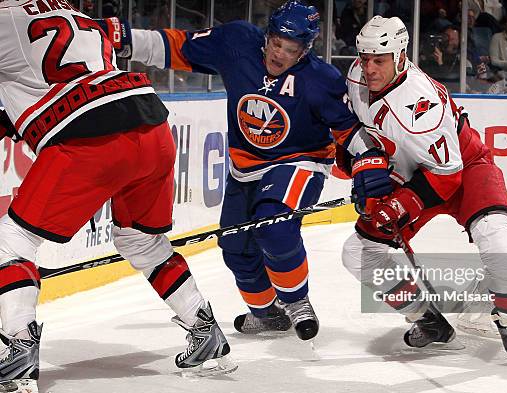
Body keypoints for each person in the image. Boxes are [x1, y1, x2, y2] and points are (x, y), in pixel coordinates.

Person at [0, 1, 235, 393]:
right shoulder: (71, 11)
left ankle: (17, 353)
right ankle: (205, 332)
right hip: (149, 121)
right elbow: (64, 70)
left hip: (87, 132)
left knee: (12, 241)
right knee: (141, 240)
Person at [115, 1, 365, 340]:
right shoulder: (238, 42)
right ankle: (266, 314)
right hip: (245, 167)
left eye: (290, 49)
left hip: (299, 162)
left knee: (273, 226)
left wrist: (368, 169)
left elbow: (350, 131)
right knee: (235, 244)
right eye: (276, 43)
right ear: (267, 36)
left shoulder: (322, 79)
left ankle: (297, 301)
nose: (279, 54)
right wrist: (124, 37)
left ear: (304, 50)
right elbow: (178, 45)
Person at [339, 15, 507, 369]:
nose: (369, 68)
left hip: (464, 165)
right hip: (410, 172)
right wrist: (361, 164)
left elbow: (447, 175)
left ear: (400, 57)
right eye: (365, 58)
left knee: (504, 244)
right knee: (358, 253)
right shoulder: (355, 74)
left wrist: (397, 207)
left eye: (378, 60)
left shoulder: (418, 105)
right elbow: (352, 129)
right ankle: (428, 320)